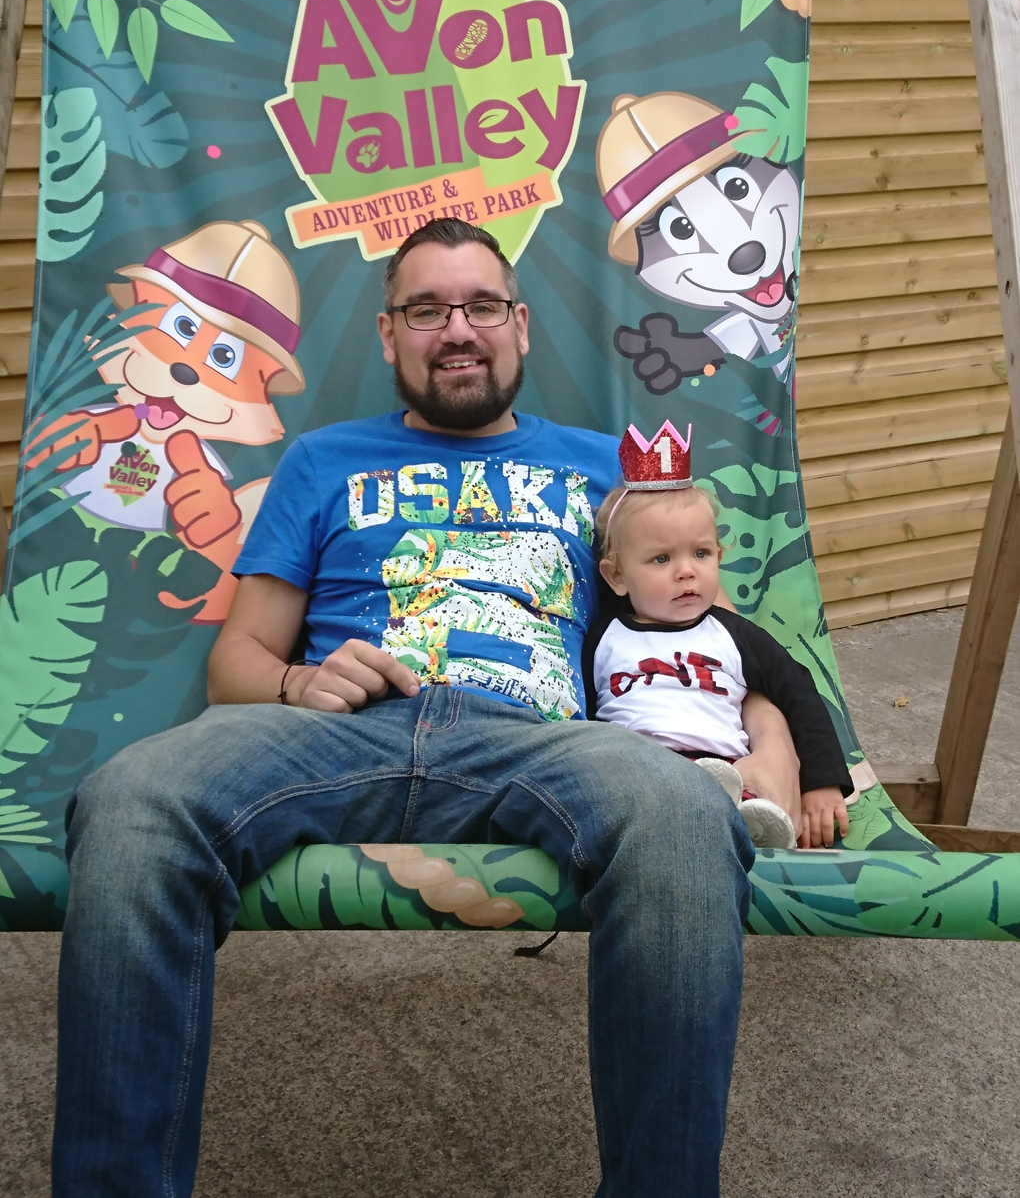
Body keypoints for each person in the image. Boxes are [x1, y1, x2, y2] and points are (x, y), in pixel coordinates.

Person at [55, 218, 778, 1198]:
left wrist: (771, 760)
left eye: (481, 305)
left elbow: (729, 641)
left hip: (543, 741)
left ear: (520, 325)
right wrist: (295, 684)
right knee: (132, 798)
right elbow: (238, 659)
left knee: (685, 818)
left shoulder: (611, 467)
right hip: (331, 732)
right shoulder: (320, 461)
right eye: (426, 309)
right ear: (390, 336)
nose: (457, 328)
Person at [588, 458, 853, 850]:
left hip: (725, 766)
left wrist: (822, 781)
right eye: (662, 559)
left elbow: (798, 691)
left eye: (701, 554)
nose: (686, 571)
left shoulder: (732, 635)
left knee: (733, 787)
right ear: (617, 576)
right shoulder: (602, 639)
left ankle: (751, 823)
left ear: (719, 556)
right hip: (637, 766)